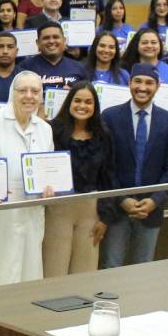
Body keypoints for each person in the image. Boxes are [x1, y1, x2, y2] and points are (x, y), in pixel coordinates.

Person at [98, 63, 168, 268]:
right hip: (117, 209)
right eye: (138, 81)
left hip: (151, 209)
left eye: (149, 83)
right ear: (129, 83)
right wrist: (122, 199)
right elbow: (105, 165)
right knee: (111, 265)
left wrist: (155, 200)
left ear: (158, 86)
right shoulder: (110, 117)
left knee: (144, 267)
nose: (142, 87)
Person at [0, 71, 55, 285]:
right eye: (23, 90)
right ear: (12, 92)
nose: (29, 96)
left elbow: (49, 170)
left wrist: (50, 189)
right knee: (1, 270)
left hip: (33, 209)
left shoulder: (45, 129)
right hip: (1, 209)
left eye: (35, 91)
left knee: (30, 271)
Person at [44, 81, 110, 276]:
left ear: (95, 106)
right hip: (58, 209)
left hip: (90, 210)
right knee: (53, 269)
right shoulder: (52, 131)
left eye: (88, 102)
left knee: (85, 271)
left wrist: (105, 217)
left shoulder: (104, 135)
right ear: (69, 102)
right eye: (77, 100)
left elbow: (108, 176)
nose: (82, 106)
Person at [16, 22, 86, 89]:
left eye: (56, 37)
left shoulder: (79, 68)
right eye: (46, 38)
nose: (51, 41)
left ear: (64, 41)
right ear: (38, 43)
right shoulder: (25, 68)